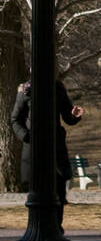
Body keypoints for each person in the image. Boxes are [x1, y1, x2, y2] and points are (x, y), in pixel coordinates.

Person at [11, 78, 84, 226]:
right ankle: (36, 226)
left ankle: (57, 227)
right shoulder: (27, 90)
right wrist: (27, 136)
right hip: (34, 149)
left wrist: (75, 115)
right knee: (36, 191)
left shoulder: (58, 88)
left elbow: (67, 117)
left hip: (55, 148)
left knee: (59, 189)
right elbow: (15, 119)